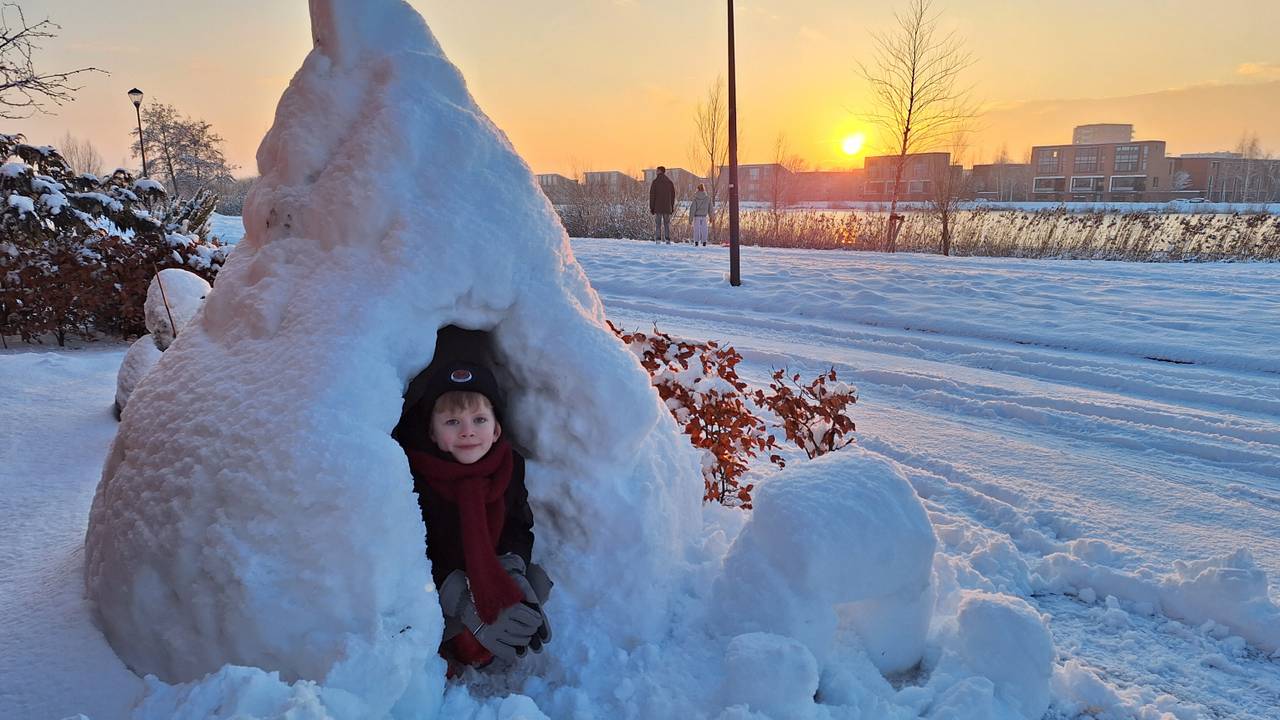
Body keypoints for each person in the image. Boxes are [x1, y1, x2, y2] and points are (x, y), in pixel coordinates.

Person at [399, 360, 553, 676]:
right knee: (441, 631)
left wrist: (512, 566)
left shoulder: (509, 467)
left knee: (535, 584)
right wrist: (457, 596)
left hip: (484, 568)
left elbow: (518, 524)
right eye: (452, 421)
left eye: (479, 419)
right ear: (432, 432)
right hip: (434, 584)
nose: (467, 431)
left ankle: (475, 640)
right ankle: (435, 648)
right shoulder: (410, 473)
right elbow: (402, 551)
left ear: (496, 430)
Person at [649, 166, 676, 243]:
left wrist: (652, 207)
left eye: (657, 170)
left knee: (658, 224)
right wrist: (671, 206)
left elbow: (652, 195)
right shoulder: (669, 182)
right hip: (667, 207)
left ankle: (658, 239)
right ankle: (667, 239)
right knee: (666, 224)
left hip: (658, 207)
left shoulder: (655, 182)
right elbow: (673, 196)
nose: (656, 172)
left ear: (660, 171)